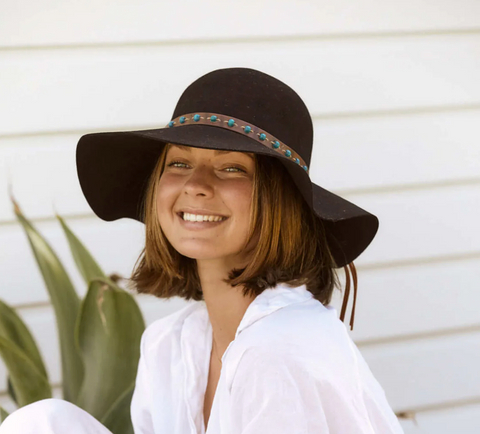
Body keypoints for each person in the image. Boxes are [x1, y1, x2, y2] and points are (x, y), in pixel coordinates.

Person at [0, 67, 405, 434]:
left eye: (232, 168)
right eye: (178, 164)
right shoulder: (169, 344)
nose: (196, 184)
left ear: (280, 203)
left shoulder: (280, 353)